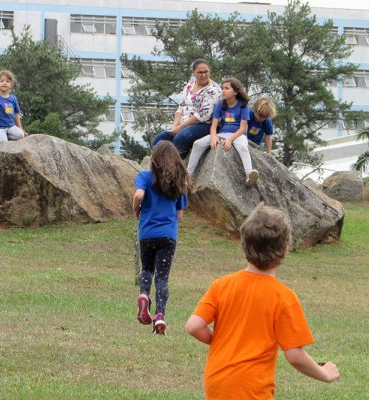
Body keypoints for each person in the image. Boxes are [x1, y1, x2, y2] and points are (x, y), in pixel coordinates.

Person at [185, 204, 340, 399]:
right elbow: (295, 356)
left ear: (244, 245)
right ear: (285, 248)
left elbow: (193, 326)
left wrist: (221, 342)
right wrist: (325, 373)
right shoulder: (284, 297)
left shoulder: (222, 285)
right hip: (252, 388)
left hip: (217, 382)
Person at [133, 141, 190, 335]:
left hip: (147, 234)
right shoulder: (178, 182)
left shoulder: (144, 177)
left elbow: (139, 195)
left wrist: (136, 210)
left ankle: (143, 295)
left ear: (153, 158)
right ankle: (159, 316)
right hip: (168, 236)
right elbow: (180, 213)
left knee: (147, 269)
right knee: (163, 278)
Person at [186, 77, 259, 187]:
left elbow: (243, 128)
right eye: (222, 88)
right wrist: (214, 137)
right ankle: (187, 176)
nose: (223, 90)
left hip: (238, 135)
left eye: (226, 88)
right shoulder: (220, 105)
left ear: (235, 91)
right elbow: (214, 125)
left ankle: (248, 174)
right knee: (197, 144)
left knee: (243, 148)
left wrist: (230, 140)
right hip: (222, 134)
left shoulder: (243, 106)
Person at [151, 59, 221, 158]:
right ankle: (159, 165)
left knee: (180, 137)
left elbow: (203, 115)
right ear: (194, 73)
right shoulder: (190, 85)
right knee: (159, 140)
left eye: (206, 72)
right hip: (184, 123)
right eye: (200, 72)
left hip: (204, 124)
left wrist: (180, 127)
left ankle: (176, 164)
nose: (204, 75)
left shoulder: (213, 89)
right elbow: (181, 106)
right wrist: (174, 126)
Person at [0, 69, 26, 145]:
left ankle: (3, 136)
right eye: (2, 81)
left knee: (21, 135)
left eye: (7, 81)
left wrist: (21, 128)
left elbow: (16, 114)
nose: (4, 83)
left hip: (11, 126)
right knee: (2, 142)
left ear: (11, 85)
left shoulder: (13, 99)